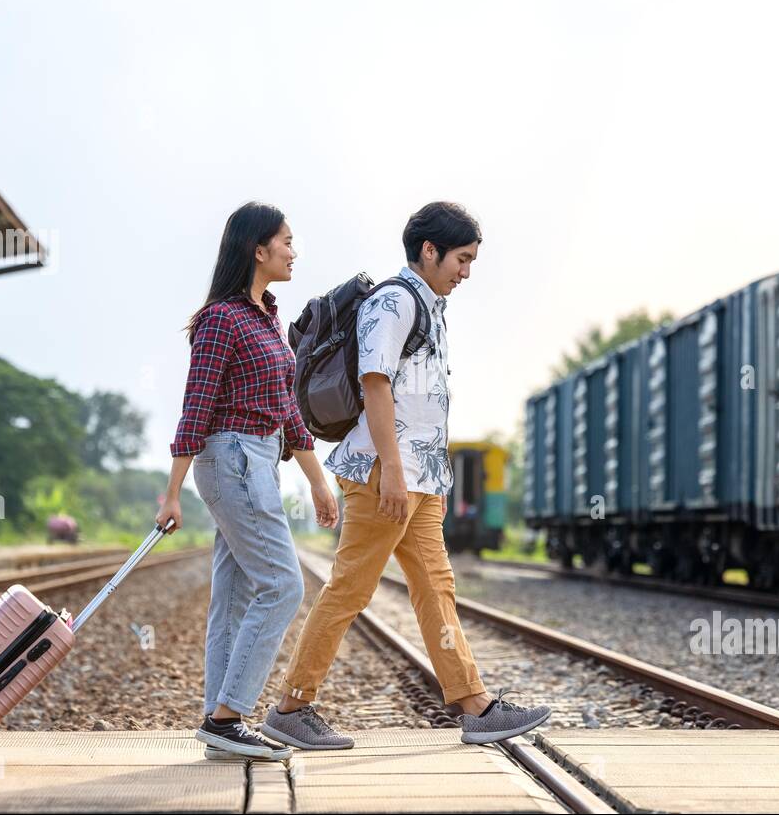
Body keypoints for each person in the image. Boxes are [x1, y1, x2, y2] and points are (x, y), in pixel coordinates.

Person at [260, 201, 551, 750]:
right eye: (461, 259)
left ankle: (475, 704)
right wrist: (392, 471)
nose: (466, 272)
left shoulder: (430, 304)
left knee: (435, 588)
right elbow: (375, 384)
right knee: (350, 588)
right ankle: (292, 706)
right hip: (384, 473)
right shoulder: (392, 303)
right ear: (429, 250)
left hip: (421, 478)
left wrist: (422, 476)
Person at [157, 201, 338, 762]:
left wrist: (318, 483)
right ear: (258, 250)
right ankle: (230, 716)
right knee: (284, 586)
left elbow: (288, 413)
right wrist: (172, 494)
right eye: (285, 240)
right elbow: (197, 408)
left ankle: (219, 720)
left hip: (259, 459)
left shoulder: (265, 318)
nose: (293, 249)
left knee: (235, 596)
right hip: (231, 457)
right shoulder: (220, 320)